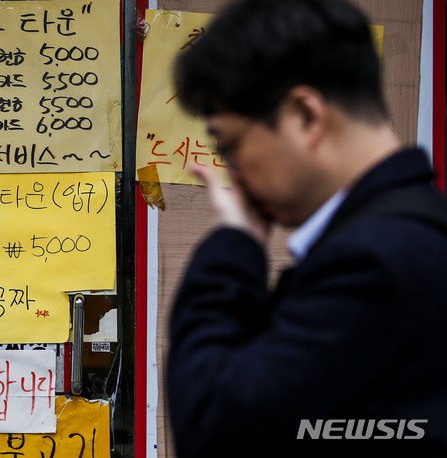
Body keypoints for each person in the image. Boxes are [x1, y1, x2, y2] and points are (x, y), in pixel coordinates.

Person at [166, 0, 447, 456]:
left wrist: (234, 246)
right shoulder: (415, 229)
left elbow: (213, 425)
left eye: (230, 146)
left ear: (305, 116)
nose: (233, 173)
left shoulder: (372, 260)